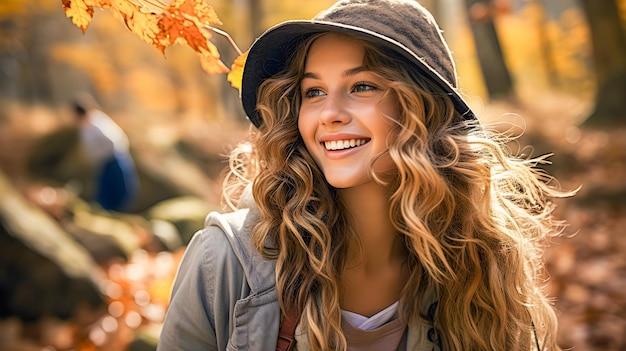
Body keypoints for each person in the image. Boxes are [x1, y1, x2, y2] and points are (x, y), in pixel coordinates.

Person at [158, 0, 571, 350]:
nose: (330, 113)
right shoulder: (223, 262)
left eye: (362, 87)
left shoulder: (481, 262)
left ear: (423, 109)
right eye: (313, 92)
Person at [71, 92, 139, 212]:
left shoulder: (96, 124)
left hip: (113, 161)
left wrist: (102, 156)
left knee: (116, 192)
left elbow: (111, 142)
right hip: (106, 163)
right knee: (106, 193)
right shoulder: (88, 125)